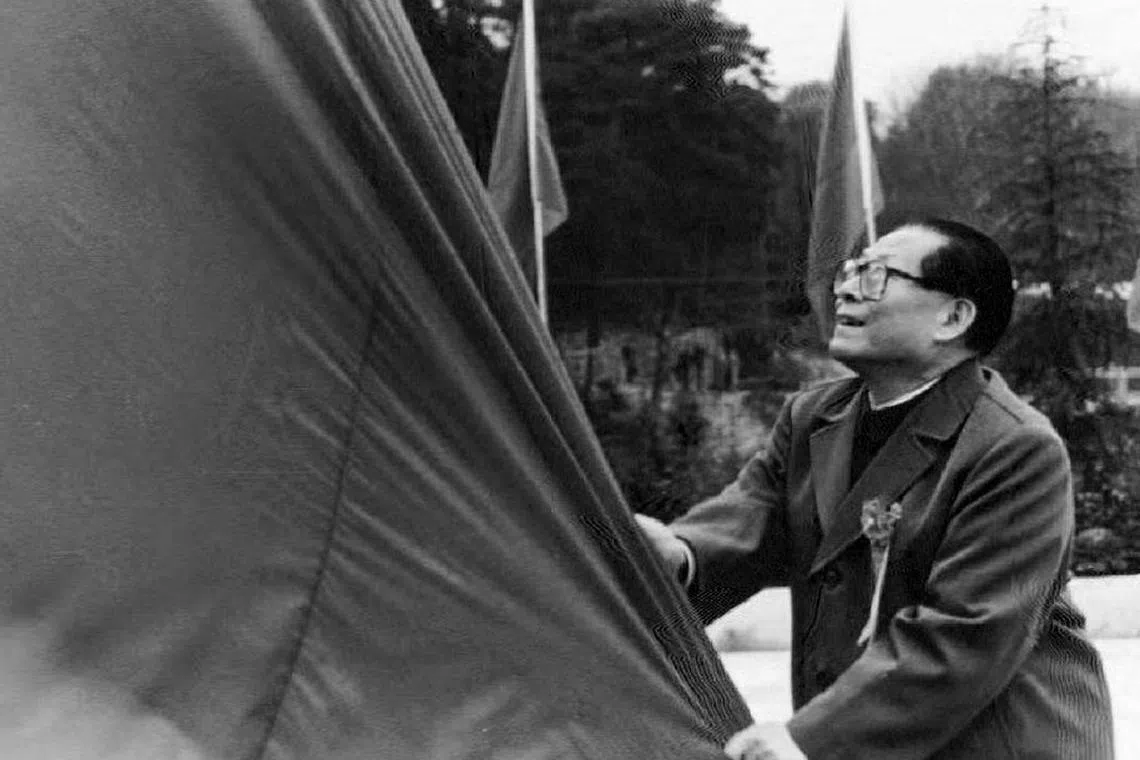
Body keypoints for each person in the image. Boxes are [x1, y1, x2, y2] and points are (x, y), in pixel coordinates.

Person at [637, 218, 1114, 759]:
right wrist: (678, 554)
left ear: (953, 317)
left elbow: (965, 638)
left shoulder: (1014, 448)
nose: (844, 288)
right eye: (851, 271)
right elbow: (748, 523)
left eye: (877, 276)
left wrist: (809, 741)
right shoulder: (814, 418)